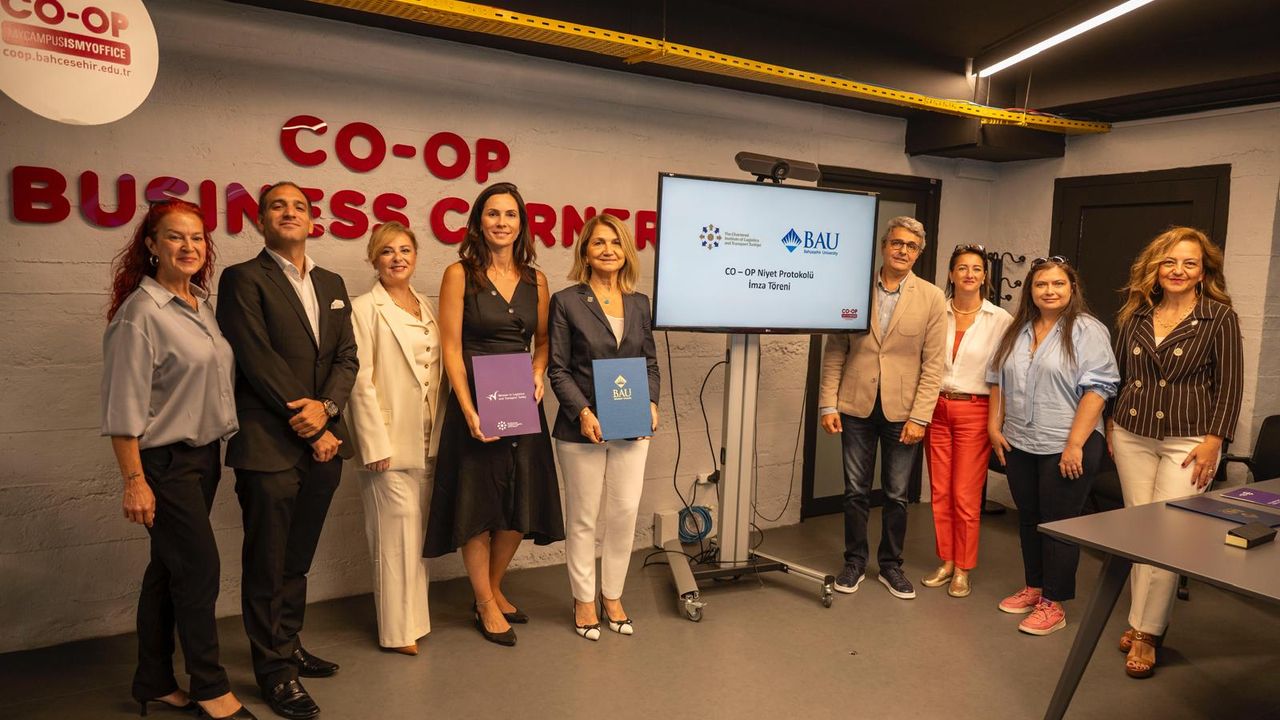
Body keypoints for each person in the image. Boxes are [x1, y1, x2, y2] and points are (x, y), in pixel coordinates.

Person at [101, 200, 254, 720]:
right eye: (174, 236)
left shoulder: (198, 305)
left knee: (168, 570)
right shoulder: (140, 315)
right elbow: (122, 409)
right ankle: (210, 687)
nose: (189, 246)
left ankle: (154, 680)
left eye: (197, 237)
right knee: (199, 570)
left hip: (203, 459)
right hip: (163, 464)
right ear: (151, 245)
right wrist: (134, 481)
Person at [216, 182, 358, 720]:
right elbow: (257, 359)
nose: (290, 212)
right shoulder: (242, 279)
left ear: (312, 219)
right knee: (267, 562)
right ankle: (275, 672)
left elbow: (346, 357)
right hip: (270, 444)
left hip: (325, 441)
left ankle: (288, 642)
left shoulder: (331, 282)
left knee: (297, 558)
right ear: (261, 220)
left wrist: (328, 409)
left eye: (299, 206)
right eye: (278, 205)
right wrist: (312, 425)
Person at [423, 182, 564, 647]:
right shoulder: (459, 274)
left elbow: (542, 342)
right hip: (476, 403)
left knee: (520, 503)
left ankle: (494, 586)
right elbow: (450, 348)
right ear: (478, 222)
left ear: (521, 224)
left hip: (521, 399)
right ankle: (484, 601)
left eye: (510, 214)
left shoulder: (536, 281)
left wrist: (539, 372)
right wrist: (467, 409)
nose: (501, 222)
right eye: (493, 213)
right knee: (477, 503)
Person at [1108, 227, 1243, 678]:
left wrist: (1215, 441)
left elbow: (1230, 386)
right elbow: (1121, 375)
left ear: (1203, 272)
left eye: (1189, 263)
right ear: (1156, 268)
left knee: (1168, 533)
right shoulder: (1136, 313)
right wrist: (1112, 422)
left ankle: (1148, 632)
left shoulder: (1219, 317)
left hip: (1189, 441)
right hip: (1132, 433)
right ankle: (1138, 619)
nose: (1178, 270)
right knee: (1138, 528)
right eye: (1169, 262)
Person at [988, 256, 1119, 636]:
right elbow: (997, 380)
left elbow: (1098, 390)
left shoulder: (1087, 330)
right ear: (1030, 290)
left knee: (1059, 524)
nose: (1050, 291)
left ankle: (1054, 603)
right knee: (1029, 518)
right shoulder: (1017, 330)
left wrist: (1075, 444)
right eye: (1041, 284)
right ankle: (1035, 586)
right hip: (1020, 441)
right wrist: (994, 427)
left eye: (1058, 283)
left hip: (1066, 443)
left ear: (1072, 288)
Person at [818, 216, 947, 600]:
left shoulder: (931, 298)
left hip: (903, 413)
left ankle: (891, 566)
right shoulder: (854, 289)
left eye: (911, 246)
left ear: (918, 253)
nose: (903, 250)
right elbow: (836, 349)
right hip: (855, 405)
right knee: (855, 491)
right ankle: (855, 562)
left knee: (896, 495)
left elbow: (933, 364)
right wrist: (827, 404)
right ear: (884, 246)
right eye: (897, 243)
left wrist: (920, 417)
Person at [548, 214, 660, 641]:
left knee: (625, 512)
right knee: (583, 517)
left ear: (625, 251)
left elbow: (649, 362)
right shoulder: (566, 301)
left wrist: (652, 402)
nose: (608, 249)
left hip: (631, 424)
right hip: (583, 428)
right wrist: (583, 412)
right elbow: (558, 368)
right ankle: (583, 599)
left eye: (615, 242)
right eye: (598, 242)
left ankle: (612, 595)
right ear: (586, 251)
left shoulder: (639, 303)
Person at [347, 222, 447, 656]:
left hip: (427, 437)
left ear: (416, 256)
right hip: (387, 440)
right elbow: (358, 381)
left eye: (405, 250)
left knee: (415, 534)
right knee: (392, 537)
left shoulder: (427, 305)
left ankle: (415, 621)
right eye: (387, 251)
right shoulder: (363, 308)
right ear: (374, 258)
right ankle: (395, 631)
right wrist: (373, 445)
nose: (397, 258)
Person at [921, 244, 1012, 598]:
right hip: (936, 408)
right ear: (951, 274)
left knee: (965, 494)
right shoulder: (936, 312)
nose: (969, 274)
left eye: (976, 268)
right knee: (940, 491)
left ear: (984, 276)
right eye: (962, 268)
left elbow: (1002, 376)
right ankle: (946, 560)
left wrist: (996, 423)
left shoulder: (999, 320)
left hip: (975, 409)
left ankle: (963, 568)